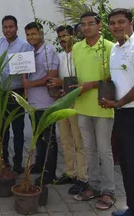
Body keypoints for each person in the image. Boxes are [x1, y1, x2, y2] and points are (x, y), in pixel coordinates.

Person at [100, 9, 134, 216]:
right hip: (121, 113)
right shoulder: (115, 49)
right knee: (126, 164)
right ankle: (133, 209)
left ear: (130, 23)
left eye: (121, 22)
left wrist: (119, 102)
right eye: (112, 23)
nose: (116, 26)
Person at [72, 12, 116, 210]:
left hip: (103, 106)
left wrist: (92, 85)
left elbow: (114, 79)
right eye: (84, 24)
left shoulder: (109, 47)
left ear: (100, 26)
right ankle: (94, 186)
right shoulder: (76, 48)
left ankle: (109, 191)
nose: (87, 27)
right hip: (82, 106)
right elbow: (76, 77)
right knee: (88, 149)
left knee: (104, 151)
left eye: (91, 23)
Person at [0, 15, 33, 174]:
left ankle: (18, 163)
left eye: (11, 27)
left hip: (16, 93)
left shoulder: (25, 46)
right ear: (2, 28)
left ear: (16, 27)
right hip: (0, 93)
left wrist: (26, 93)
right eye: (5, 27)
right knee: (3, 130)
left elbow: (28, 71)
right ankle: (3, 160)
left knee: (18, 129)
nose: (8, 30)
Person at [48, 25, 88, 195]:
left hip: (76, 102)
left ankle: (82, 176)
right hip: (61, 102)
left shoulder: (79, 54)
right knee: (65, 139)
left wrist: (61, 82)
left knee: (79, 141)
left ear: (73, 35)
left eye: (65, 35)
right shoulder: (60, 56)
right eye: (60, 37)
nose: (63, 39)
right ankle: (70, 172)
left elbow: (80, 79)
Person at [22, 22, 59, 185]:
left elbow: (51, 77)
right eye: (28, 35)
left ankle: (49, 173)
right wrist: (24, 81)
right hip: (33, 102)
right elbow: (26, 75)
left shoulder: (49, 51)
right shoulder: (28, 52)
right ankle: (39, 164)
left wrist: (30, 84)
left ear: (41, 34)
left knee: (49, 138)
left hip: (46, 101)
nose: (31, 37)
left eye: (33, 34)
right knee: (38, 136)